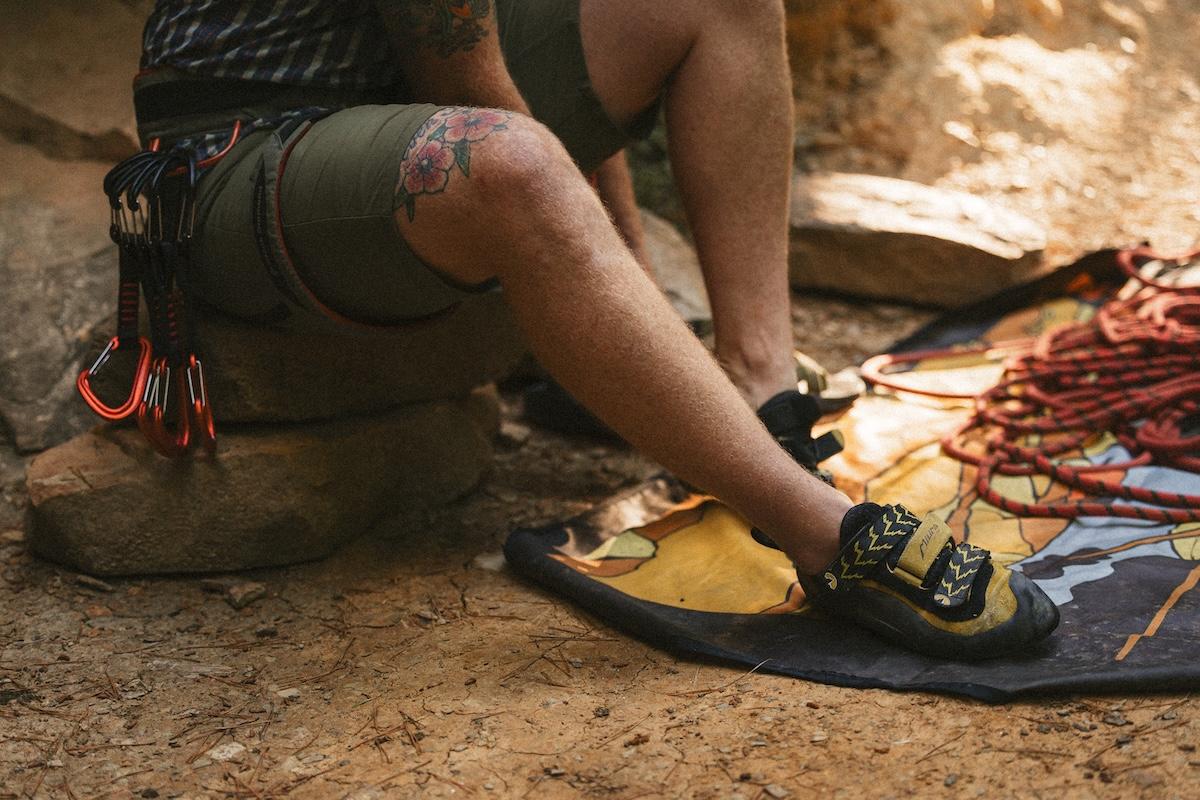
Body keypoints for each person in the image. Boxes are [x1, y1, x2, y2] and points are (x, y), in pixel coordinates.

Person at [129, 0, 1058, 659]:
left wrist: (624, 305)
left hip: (384, 95)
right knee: (508, 163)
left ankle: (756, 380)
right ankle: (820, 534)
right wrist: (621, 293)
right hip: (231, 145)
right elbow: (470, 84)